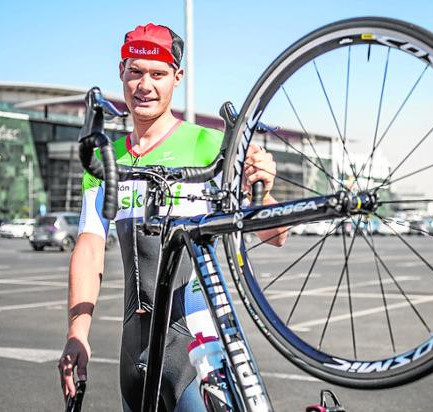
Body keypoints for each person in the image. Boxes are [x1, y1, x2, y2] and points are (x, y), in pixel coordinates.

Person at [58, 23, 287, 411]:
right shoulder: (104, 159)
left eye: (158, 74)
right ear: (121, 73)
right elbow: (90, 244)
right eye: (136, 72)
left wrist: (264, 183)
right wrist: (77, 332)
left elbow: (274, 235)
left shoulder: (209, 146)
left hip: (199, 345)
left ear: (176, 78)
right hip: (134, 347)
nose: (145, 85)